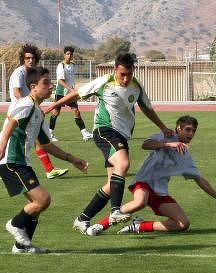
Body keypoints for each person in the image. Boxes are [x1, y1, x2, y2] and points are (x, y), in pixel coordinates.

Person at [44, 52, 174, 234]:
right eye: (122, 75)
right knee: (124, 163)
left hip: (122, 137)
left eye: (129, 74)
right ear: (115, 70)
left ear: (133, 70)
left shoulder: (136, 87)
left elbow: (147, 108)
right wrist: (52, 106)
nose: (126, 79)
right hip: (104, 130)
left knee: (111, 185)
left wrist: (162, 127)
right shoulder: (104, 81)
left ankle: (83, 219)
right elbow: (77, 94)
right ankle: (115, 211)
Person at [85, 115, 216, 236]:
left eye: (193, 131)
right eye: (187, 129)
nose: (190, 133)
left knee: (183, 224)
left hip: (160, 192)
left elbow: (200, 180)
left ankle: (139, 226)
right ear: (178, 128)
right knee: (140, 202)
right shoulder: (165, 136)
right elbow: (145, 144)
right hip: (143, 182)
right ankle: (101, 225)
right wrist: (168, 143)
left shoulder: (185, 155)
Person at [0, 66, 88, 253]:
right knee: (43, 200)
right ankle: (14, 224)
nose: (51, 86)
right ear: (33, 86)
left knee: (36, 206)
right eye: (46, 83)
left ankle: (21, 248)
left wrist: (71, 159)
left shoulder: (37, 111)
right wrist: (1, 146)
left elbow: (46, 144)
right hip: (10, 162)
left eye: (51, 82)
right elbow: (11, 123)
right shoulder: (26, 104)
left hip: (22, 162)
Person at [0, 44, 69, 180]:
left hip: (29, 111)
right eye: (27, 58)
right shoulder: (19, 72)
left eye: (32, 58)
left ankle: (50, 170)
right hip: (20, 112)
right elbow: (17, 92)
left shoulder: (33, 74)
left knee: (39, 139)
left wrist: (35, 108)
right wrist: (29, 107)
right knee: (22, 140)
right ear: (23, 59)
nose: (30, 60)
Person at [48, 46, 93, 142]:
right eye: (67, 54)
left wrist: (73, 89)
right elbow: (60, 81)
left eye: (71, 54)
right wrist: (71, 89)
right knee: (56, 112)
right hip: (61, 92)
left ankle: (85, 134)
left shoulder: (73, 65)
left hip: (70, 93)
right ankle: (50, 133)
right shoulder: (61, 65)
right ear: (64, 55)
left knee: (76, 111)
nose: (69, 56)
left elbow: (71, 80)